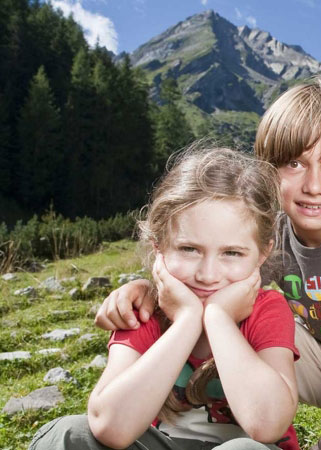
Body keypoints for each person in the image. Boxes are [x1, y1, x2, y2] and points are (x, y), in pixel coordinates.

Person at [95, 78, 321, 450]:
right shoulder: (268, 229)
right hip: (314, 348)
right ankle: (214, 426)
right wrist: (145, 291)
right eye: (295, 163)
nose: (313, 185)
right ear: (269, 170)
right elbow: (213, 278)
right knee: (244, 332)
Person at [30, 147, 300, 450]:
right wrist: (186, 320)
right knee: (70, 433)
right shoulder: (144, 310)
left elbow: (267, 424)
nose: (208, 275)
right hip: (164, 444)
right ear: (159, 247)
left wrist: (218, 318)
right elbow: (110, 427)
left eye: (232, 253)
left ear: (262, 253)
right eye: (189, 249)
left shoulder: (267, 309)